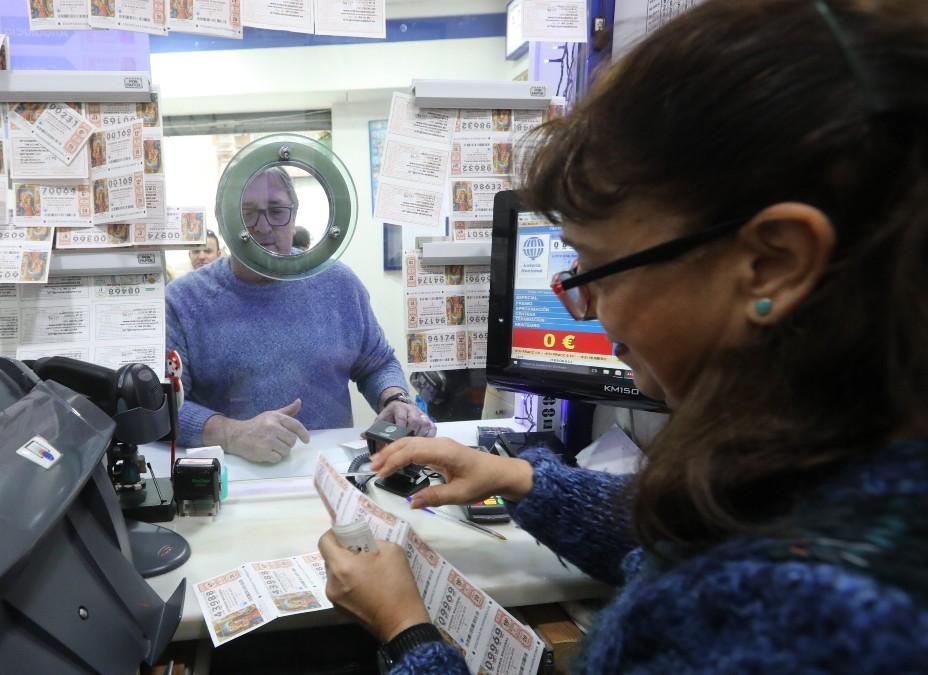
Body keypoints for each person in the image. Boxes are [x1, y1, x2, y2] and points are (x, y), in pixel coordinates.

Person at [317, 0, 928, 672]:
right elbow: (690, 525)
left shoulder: (786, 616)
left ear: (772, 262)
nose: (582, 311)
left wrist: (406, 629)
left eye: (597, 270)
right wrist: (521, 478)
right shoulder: (835, 460)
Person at [167, 166, 435, 464]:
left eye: (277, 210)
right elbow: (166, 405)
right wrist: (231, 433)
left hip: (331, 470)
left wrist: (394, 398)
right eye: (247, 212)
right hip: (231, 479)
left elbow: (377, 362)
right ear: (222, 219)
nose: (263, 226)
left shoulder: (337, 283)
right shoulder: (184, 300)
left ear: (294, 215)